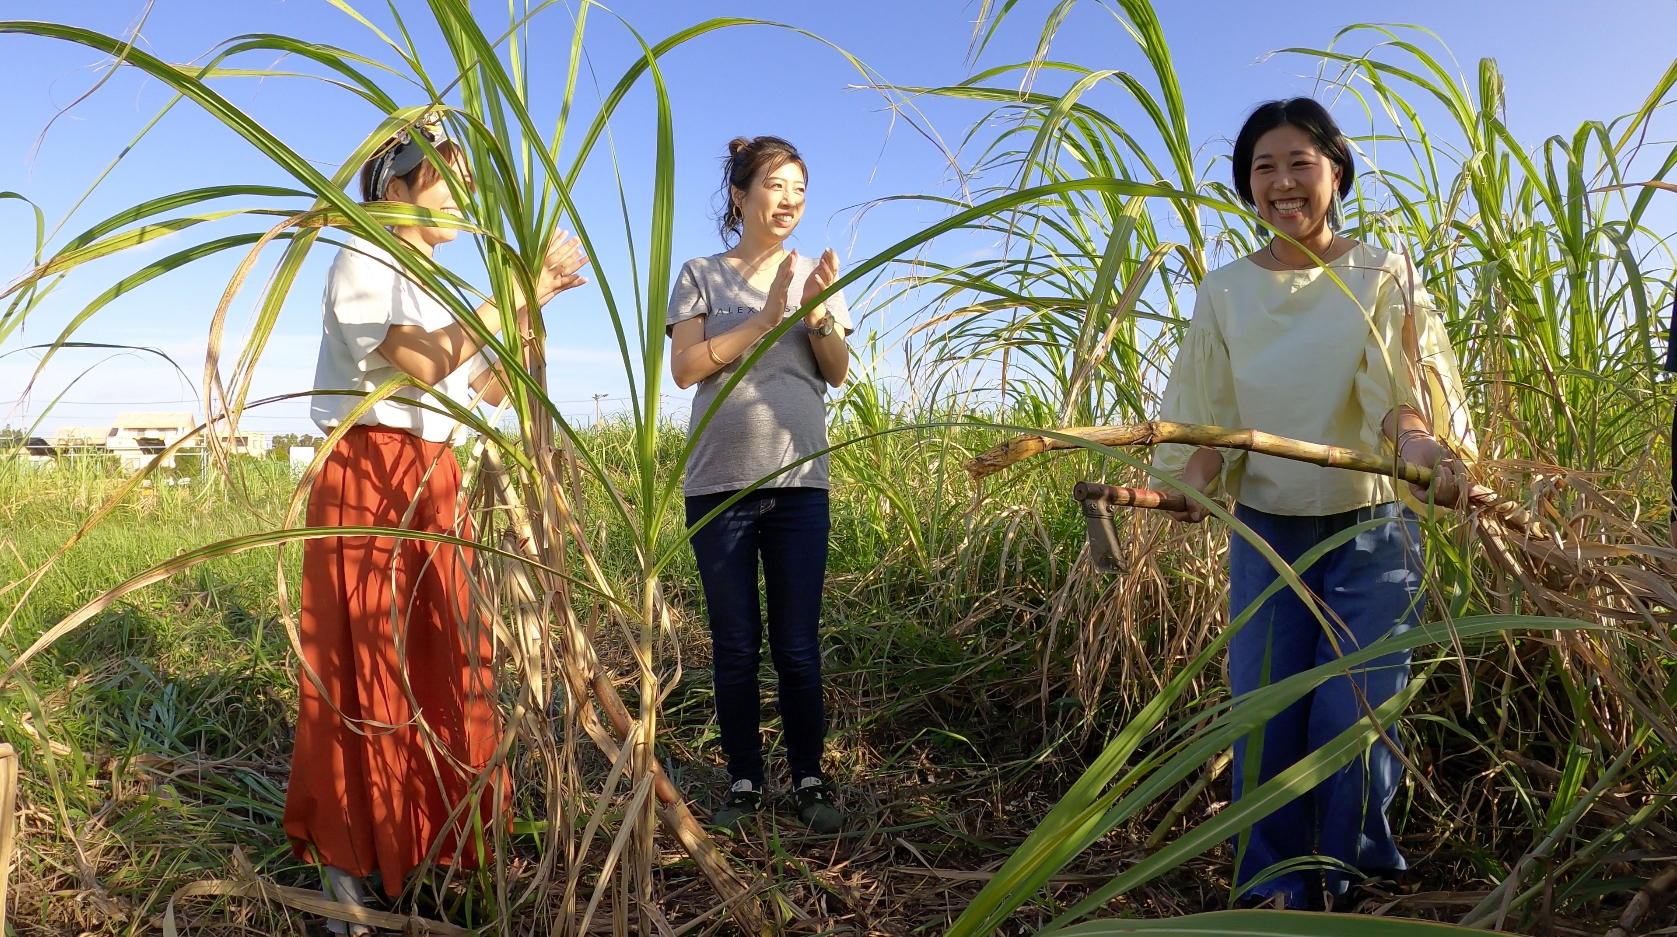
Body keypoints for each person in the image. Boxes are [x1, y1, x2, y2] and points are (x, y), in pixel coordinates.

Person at [1152, 98, 1471, 911]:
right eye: (1264, 167)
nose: (1282, 182)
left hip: (1372, 524)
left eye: (1300, 162)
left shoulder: (1378, 273)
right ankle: (1273, 880)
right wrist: (1183, 483)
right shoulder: (1222, 291)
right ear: (1246, 186)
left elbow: (1402, 396)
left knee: (1352, 708)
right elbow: (1205, 416)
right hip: (1265, 530)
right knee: (1264, 707)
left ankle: (1353, 873)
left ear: (1335, 171)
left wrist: (1422, 449)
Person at [285, 119, 588, 934]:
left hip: (430, 486)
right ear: (397, 186)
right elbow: (423, 361)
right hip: (370, 480)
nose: (466, 196)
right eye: (448, 176)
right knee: (363, 672)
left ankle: (423, 848)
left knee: (439, 662)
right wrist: (517, 288)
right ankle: (348, 878)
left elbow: (477, 387)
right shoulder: (365, 259)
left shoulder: (436, 282)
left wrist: (541, 300)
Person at [667, 135, 852, 835]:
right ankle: (743, 777)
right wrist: (763, 319)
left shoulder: (813, 273)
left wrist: (816, 314)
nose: (789, 201)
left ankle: (808, 774)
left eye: (800, 189)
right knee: (735, 642)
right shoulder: (701, 273)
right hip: (719, 484)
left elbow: (834, 370)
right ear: (740, 195)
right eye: (776, 185)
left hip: (801, 482)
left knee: (798, 645)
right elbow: (687, 368)